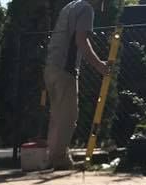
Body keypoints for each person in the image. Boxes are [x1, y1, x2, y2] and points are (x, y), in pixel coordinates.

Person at [44, 0, 109, 170]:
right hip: (65, 69)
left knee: (56, 116)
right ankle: (59, 159)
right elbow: (81, 40)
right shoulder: (86, 9)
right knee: (68, 116)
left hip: (51, 66)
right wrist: (100, 66)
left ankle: (53, 156)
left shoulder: (71, 6)